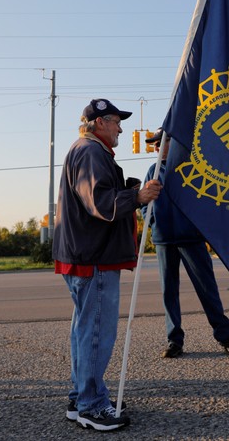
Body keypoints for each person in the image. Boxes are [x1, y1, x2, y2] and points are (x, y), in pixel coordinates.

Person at [53, 99, 162, 431]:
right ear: (99, 122)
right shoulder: (90, 152)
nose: (120, 128)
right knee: (96, 332)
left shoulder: (88, 150)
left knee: (85, 330)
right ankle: (91, 406)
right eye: (116, 121)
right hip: (94, 257)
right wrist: (138, 197)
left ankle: (82, 395)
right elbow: (100, 202)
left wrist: (128, 190)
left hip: (85, 255)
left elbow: (99, 194)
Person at [142, 128, 229, 359]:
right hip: (164, 239)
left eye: (160, 143)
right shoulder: (152, 171)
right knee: (169, 292)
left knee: (207, 289)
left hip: (192, 238)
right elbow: (145, 202)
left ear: (172, 144)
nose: (156, 147)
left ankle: (224, 335)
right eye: (154, 144)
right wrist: (152, 219)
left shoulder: (191, 167)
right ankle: (174, 340)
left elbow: (207, 199)